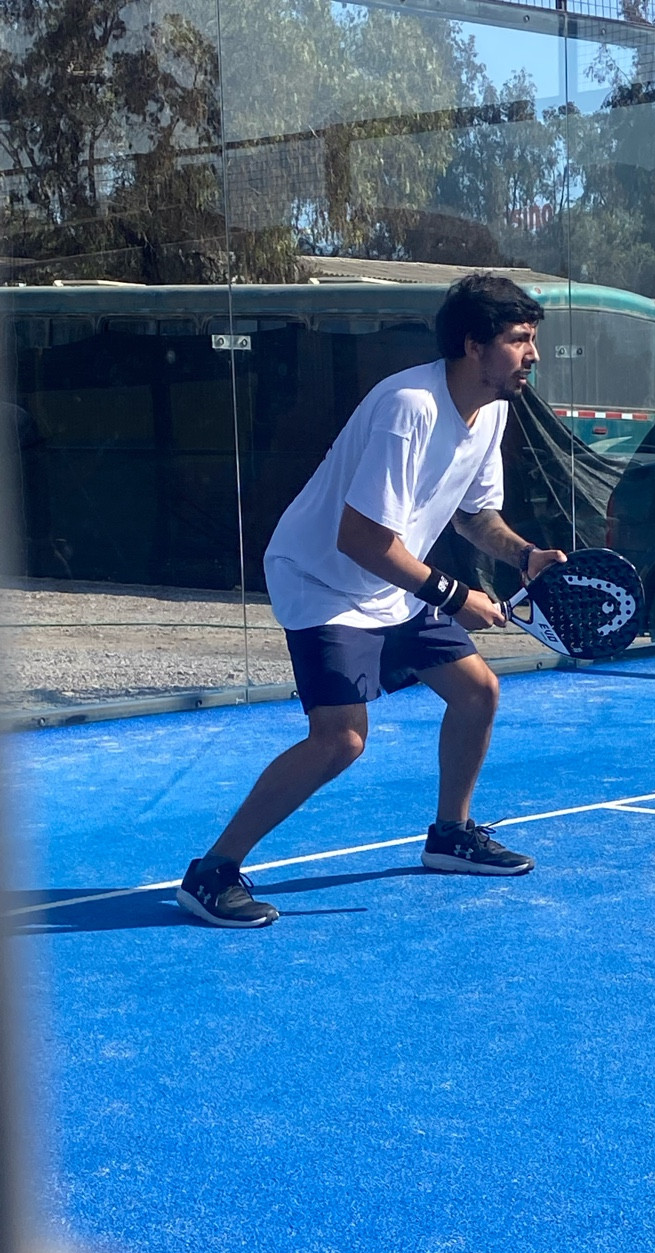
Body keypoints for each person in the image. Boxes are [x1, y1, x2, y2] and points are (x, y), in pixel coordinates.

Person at [177, 274, 566, 929]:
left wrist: (523, 554)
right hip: (322, 580)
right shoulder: (408, 407)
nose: (533, 354)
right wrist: (455, 595)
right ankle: (211, 874)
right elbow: (358, 539)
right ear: (474, 346)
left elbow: (476, 516)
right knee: (341, 739)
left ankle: (451, 836)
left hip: (392, 581)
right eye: (520, 340)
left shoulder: (493, 410)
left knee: (478, 693)